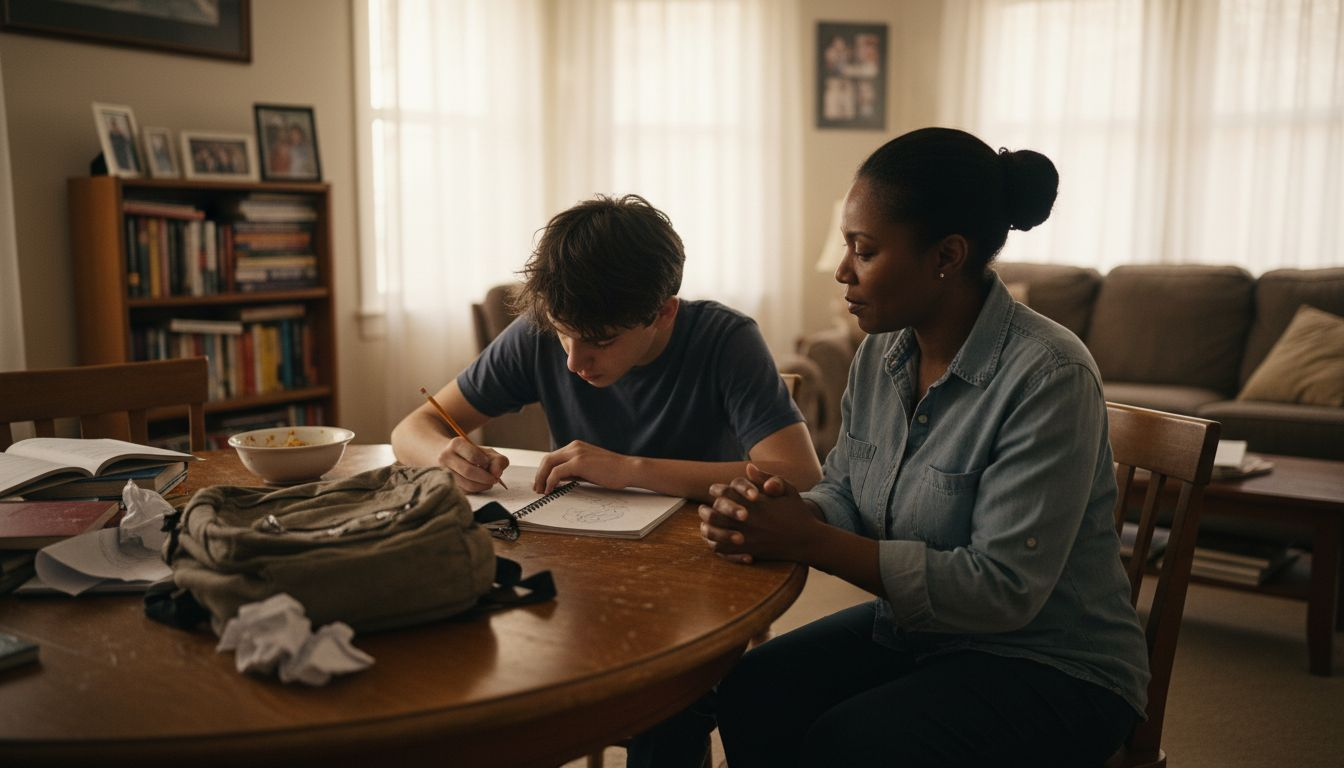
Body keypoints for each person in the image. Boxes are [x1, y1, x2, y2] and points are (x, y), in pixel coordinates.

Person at [698, 128, 1150, 766]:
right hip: (925, 634)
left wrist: (808, 540)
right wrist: (790, 513)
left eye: (865, 250)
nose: (843, 270)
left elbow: (1003, 590)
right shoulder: (881, 352)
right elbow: (847, 487)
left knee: (850, 743)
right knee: (752, 691)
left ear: (946, 256)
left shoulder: (1050, 375)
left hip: (1056, 663)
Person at [391, 193, 822, 503]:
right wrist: (446, 455)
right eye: (563, 333)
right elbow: (411, 430)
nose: (573, 362)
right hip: (578, 544)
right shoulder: (537, 332)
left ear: (663, 313)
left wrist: (629, 469)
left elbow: (799, 473)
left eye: (601, 341)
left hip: (701, 544)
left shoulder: (724, 338)